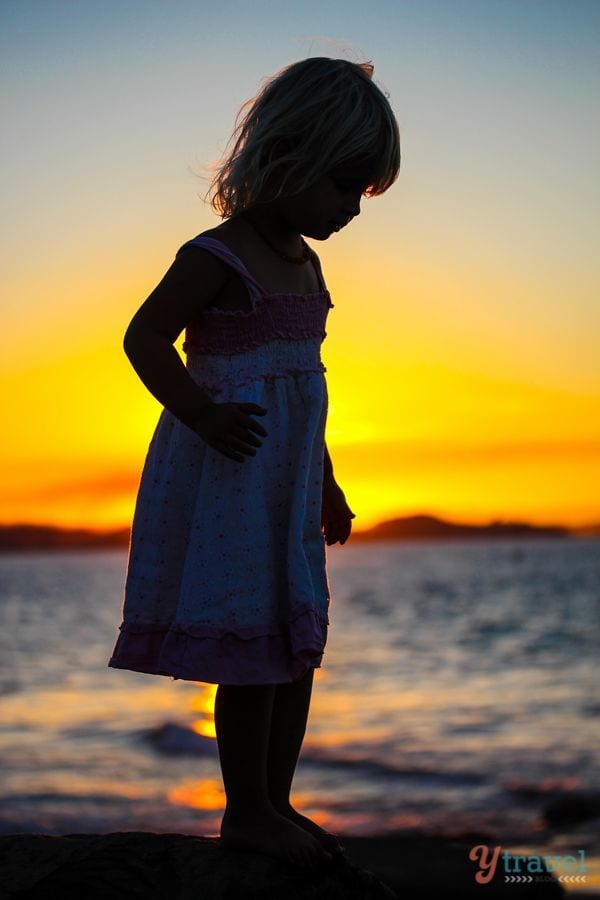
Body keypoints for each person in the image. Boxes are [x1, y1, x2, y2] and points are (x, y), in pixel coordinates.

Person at [108, 56, 400, 870]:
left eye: (362, 192)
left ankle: (276, 802)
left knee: (295, 644)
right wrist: (200, 413)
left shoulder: (307, 265)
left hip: (288, 484)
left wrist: (329, 484)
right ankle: (245, 812)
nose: (349, 207)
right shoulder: (217, 256)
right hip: (230, 479)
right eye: (343, 185)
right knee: (251, 646)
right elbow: (143, 339)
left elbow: (307, 391)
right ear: (291, 155)